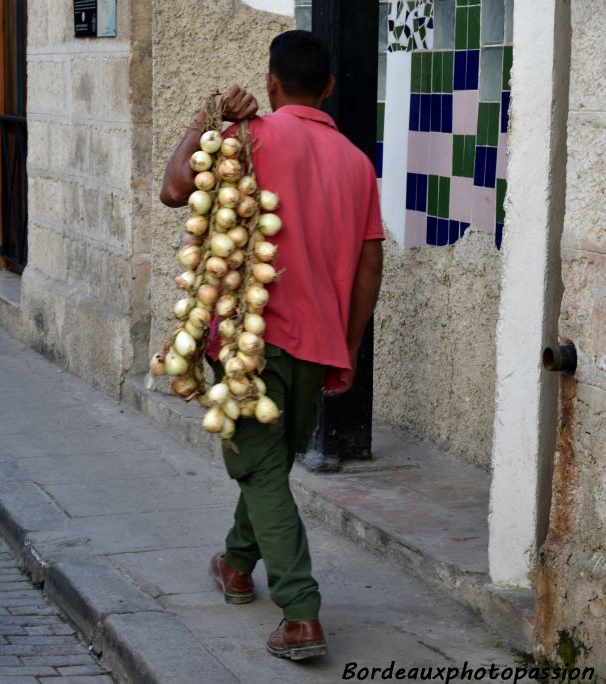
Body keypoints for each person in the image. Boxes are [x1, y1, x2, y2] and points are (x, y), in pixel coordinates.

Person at [159, 30, 384, 661]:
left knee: (261, 470)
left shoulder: (248, 136)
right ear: (331, 88)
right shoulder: (359, 165)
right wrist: (350, 344)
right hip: (317, 345)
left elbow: (176, 190)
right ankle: (235, 566)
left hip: (244, 340)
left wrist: (207, 119)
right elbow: (370, 268)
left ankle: (301, 614)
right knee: (269, 468)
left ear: (271, 83)